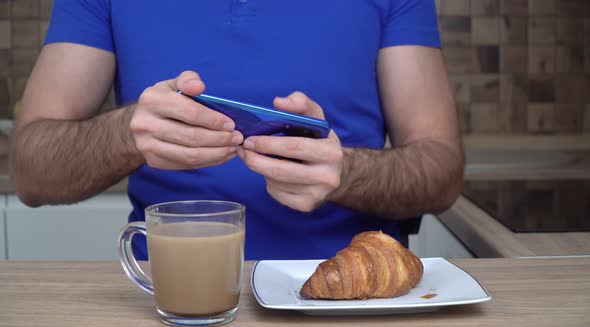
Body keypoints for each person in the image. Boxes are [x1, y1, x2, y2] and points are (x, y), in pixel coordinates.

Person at [8, 0, 463, 260]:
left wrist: (345, 172)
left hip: (353, 297)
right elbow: (30, 170)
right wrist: (126, 134)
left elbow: (441, 170)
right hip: (169, 299)